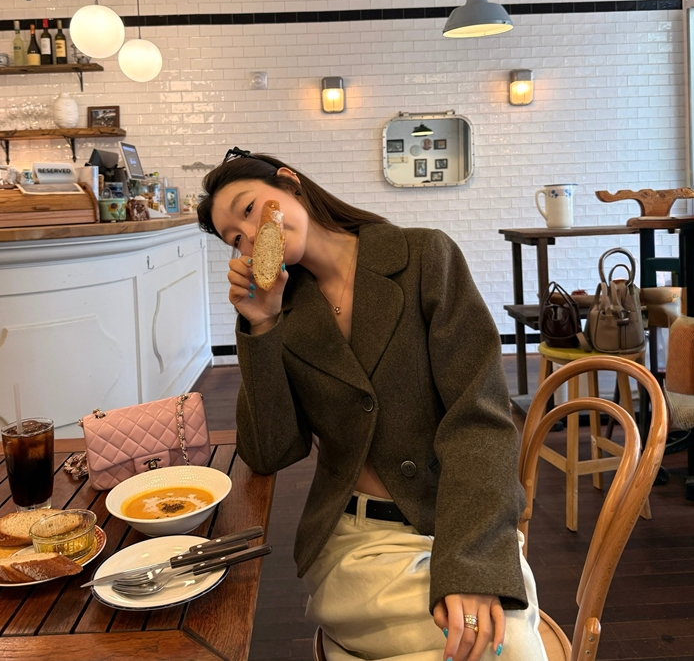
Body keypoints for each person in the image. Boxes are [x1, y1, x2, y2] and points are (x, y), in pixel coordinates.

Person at [198, 148, 547, 661]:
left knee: (500, 647)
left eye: (249, 210)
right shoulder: (281, 312)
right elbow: (270, 451)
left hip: (459, 518)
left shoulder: (424, 257)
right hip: (357, 540)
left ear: (290, 183)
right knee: (506, 650)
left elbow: (479, 418)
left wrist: (470, 566)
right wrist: (262, 324)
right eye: (234, 238)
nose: (250, 236)